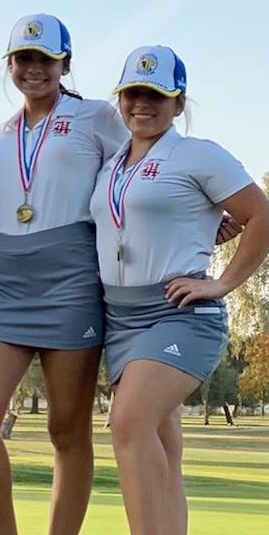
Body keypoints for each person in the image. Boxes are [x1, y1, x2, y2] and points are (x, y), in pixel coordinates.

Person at [0, 14, 129, 535]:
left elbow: (146, 169)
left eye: (44, 59)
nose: (33, 69)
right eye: (22, 58)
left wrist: (200, 214)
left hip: (72, 277)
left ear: (64, 64)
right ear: (9, 64)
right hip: (6, 280)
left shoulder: (97, 116)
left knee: (67, 429)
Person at [91, 45, 269, 535]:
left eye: (157, 95)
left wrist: (223, 282)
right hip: (120, 318)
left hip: (178, 313)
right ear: (120, 98)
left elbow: (260, 215)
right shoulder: (111, 164)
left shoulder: (198, 154)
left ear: (179, 102)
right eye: (133, 93)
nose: (142, 104)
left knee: (127, 422)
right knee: (163, 449)